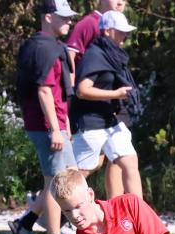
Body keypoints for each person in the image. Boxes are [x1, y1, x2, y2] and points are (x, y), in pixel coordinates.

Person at [9, 0, 79, 234]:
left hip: (57, 123)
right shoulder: (43, 49)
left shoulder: (48, 46)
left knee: (72, 176)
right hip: (46, 125)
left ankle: (24, 224)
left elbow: (59, 92)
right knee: (56, 183)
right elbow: (44, 91)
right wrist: (55, 129)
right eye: (63, 17)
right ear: (48, 17)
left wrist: (66, 124)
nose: (68, 22)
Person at [70, 11, 144, 198]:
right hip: (92, 123)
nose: (125, 36)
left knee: (130, 161)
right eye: (121, 32)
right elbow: (82, 90)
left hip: (111, 121)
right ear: (108, 31)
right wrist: (115, 94)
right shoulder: (94, 55)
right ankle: (51, 208)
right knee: (78, 174)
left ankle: (141, 220)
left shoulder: (114, 55)